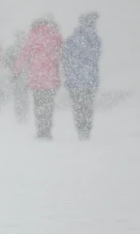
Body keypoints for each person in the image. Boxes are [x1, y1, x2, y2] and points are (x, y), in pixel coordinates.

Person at [15, 15, 63, 140]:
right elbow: (62, 52)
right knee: (49, 105)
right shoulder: (54, 36)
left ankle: (40, 129)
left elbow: (24, 55)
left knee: (38, 105)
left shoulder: (32, 36)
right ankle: (47, 130)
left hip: (36, 77)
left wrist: (17, 71)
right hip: (51, 78)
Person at [63, 12, 102, 140]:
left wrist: (68, 72)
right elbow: (96, 57)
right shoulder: (95, 39)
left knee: (78, 106)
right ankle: (86, 129)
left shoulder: (71, 39)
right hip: (90, 79)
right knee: (88, 106)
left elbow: (65, 58)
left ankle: (80, 129)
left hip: (75, 79)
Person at [5, 31, 29, 123]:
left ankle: (21, 114)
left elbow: (6, 60)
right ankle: (21, 115)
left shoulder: (13, 49)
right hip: (21, 76)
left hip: (19, 76)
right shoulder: (26, 48)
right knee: (21, 97)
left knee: (20, 97)